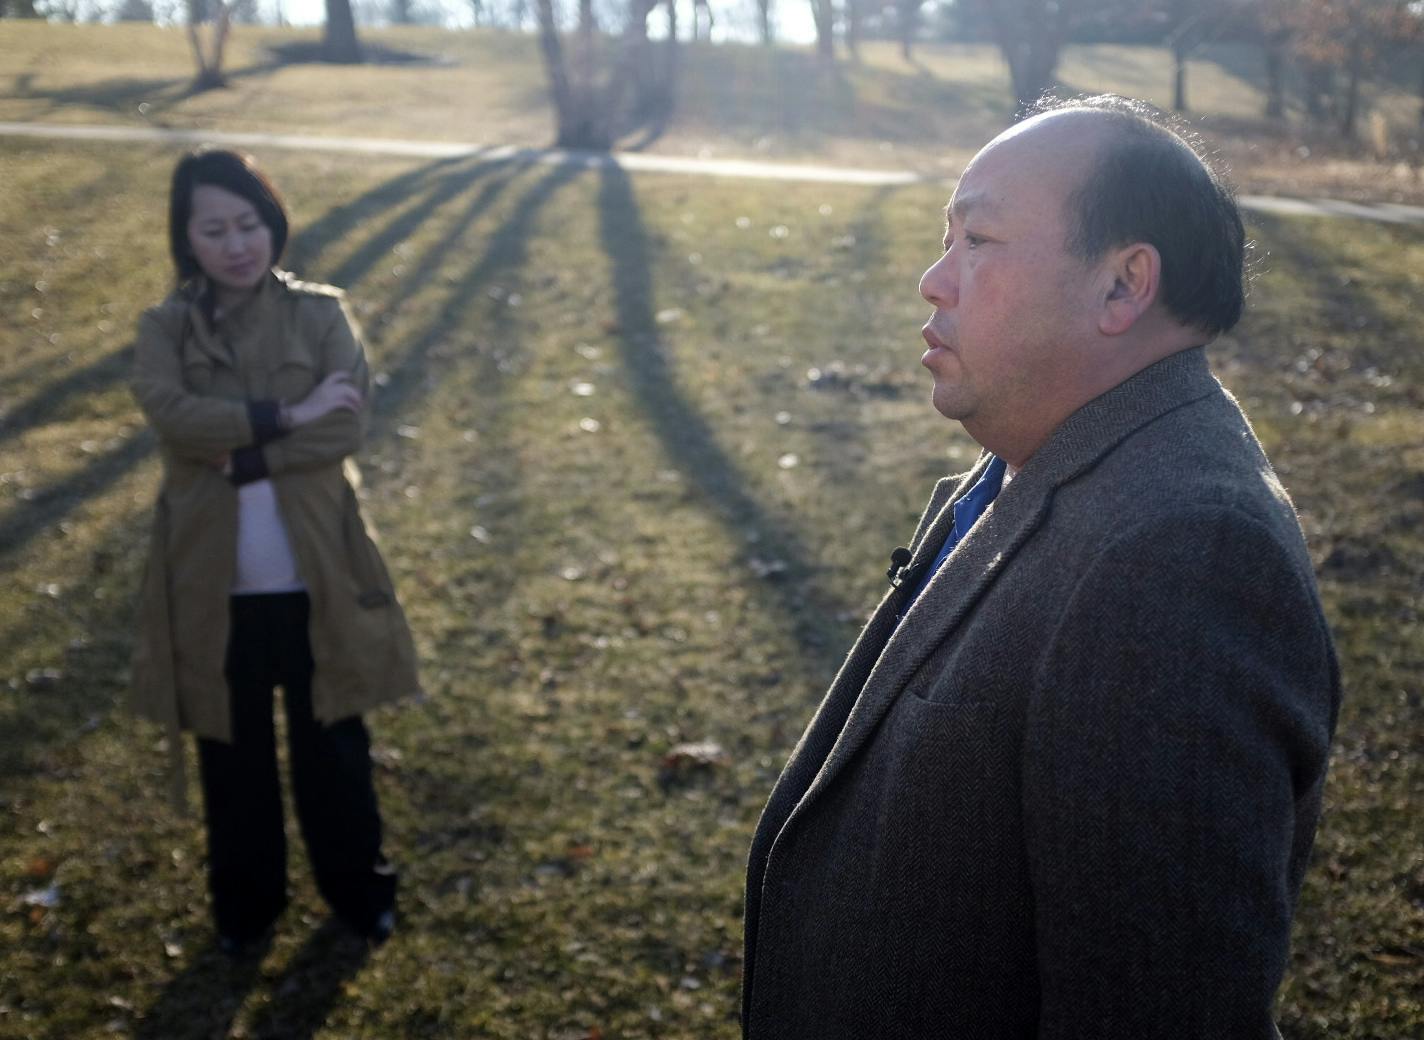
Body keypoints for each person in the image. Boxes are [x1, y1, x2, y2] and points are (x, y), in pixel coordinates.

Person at [741, 96, 1341, 1038]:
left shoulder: (1181, 560)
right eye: (947, 238)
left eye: (979, 239)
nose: (934, 282)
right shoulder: (1038, 460)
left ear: (1122, 286)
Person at [129, 148, 421, 955]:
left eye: (248, 222)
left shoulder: (321, 315)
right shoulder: (165, 328)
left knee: (335, 747)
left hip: (318, 576)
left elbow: (349, 424)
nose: (236, 244)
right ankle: (247, 908)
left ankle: (360, 894)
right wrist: (287, 416)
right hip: (211, 587)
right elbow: (171, 415)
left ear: (273, 222)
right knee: (234, 758)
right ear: (188, 239)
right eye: (214, 227)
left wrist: (246, 452)